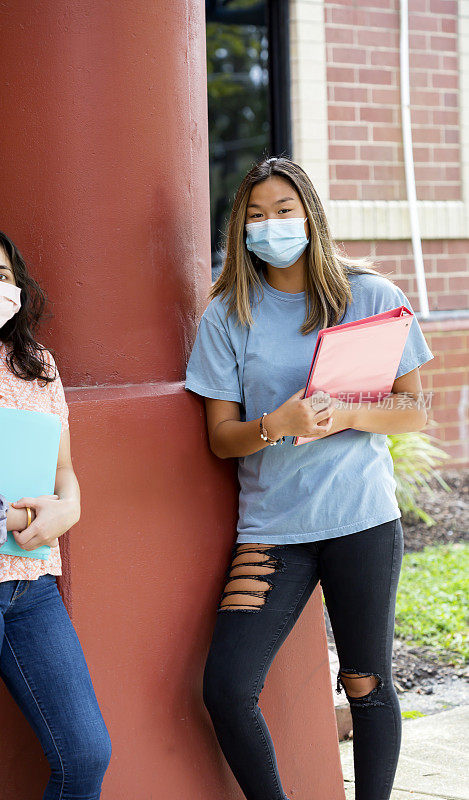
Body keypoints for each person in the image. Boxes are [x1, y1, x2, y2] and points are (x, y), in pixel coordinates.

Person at [184, 157, 434, 800]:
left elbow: (413, 411)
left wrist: (340, 412)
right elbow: (220, 438)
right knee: (228, 688)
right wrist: (278, 422)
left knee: (367, 681)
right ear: (239, 228)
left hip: (362, 520)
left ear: (311, 216)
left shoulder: (371, 295)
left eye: (284, 211)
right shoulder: (225, 316)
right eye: (257, 215)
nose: (272, 225)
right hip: (273, 531)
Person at [0, 224, 112, 800]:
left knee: (85, 751)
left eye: (0, 275)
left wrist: (71, 509)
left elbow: (63, 467)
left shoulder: (36, 363)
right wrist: (12, 518)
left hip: (30, 583)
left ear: (18, 289)